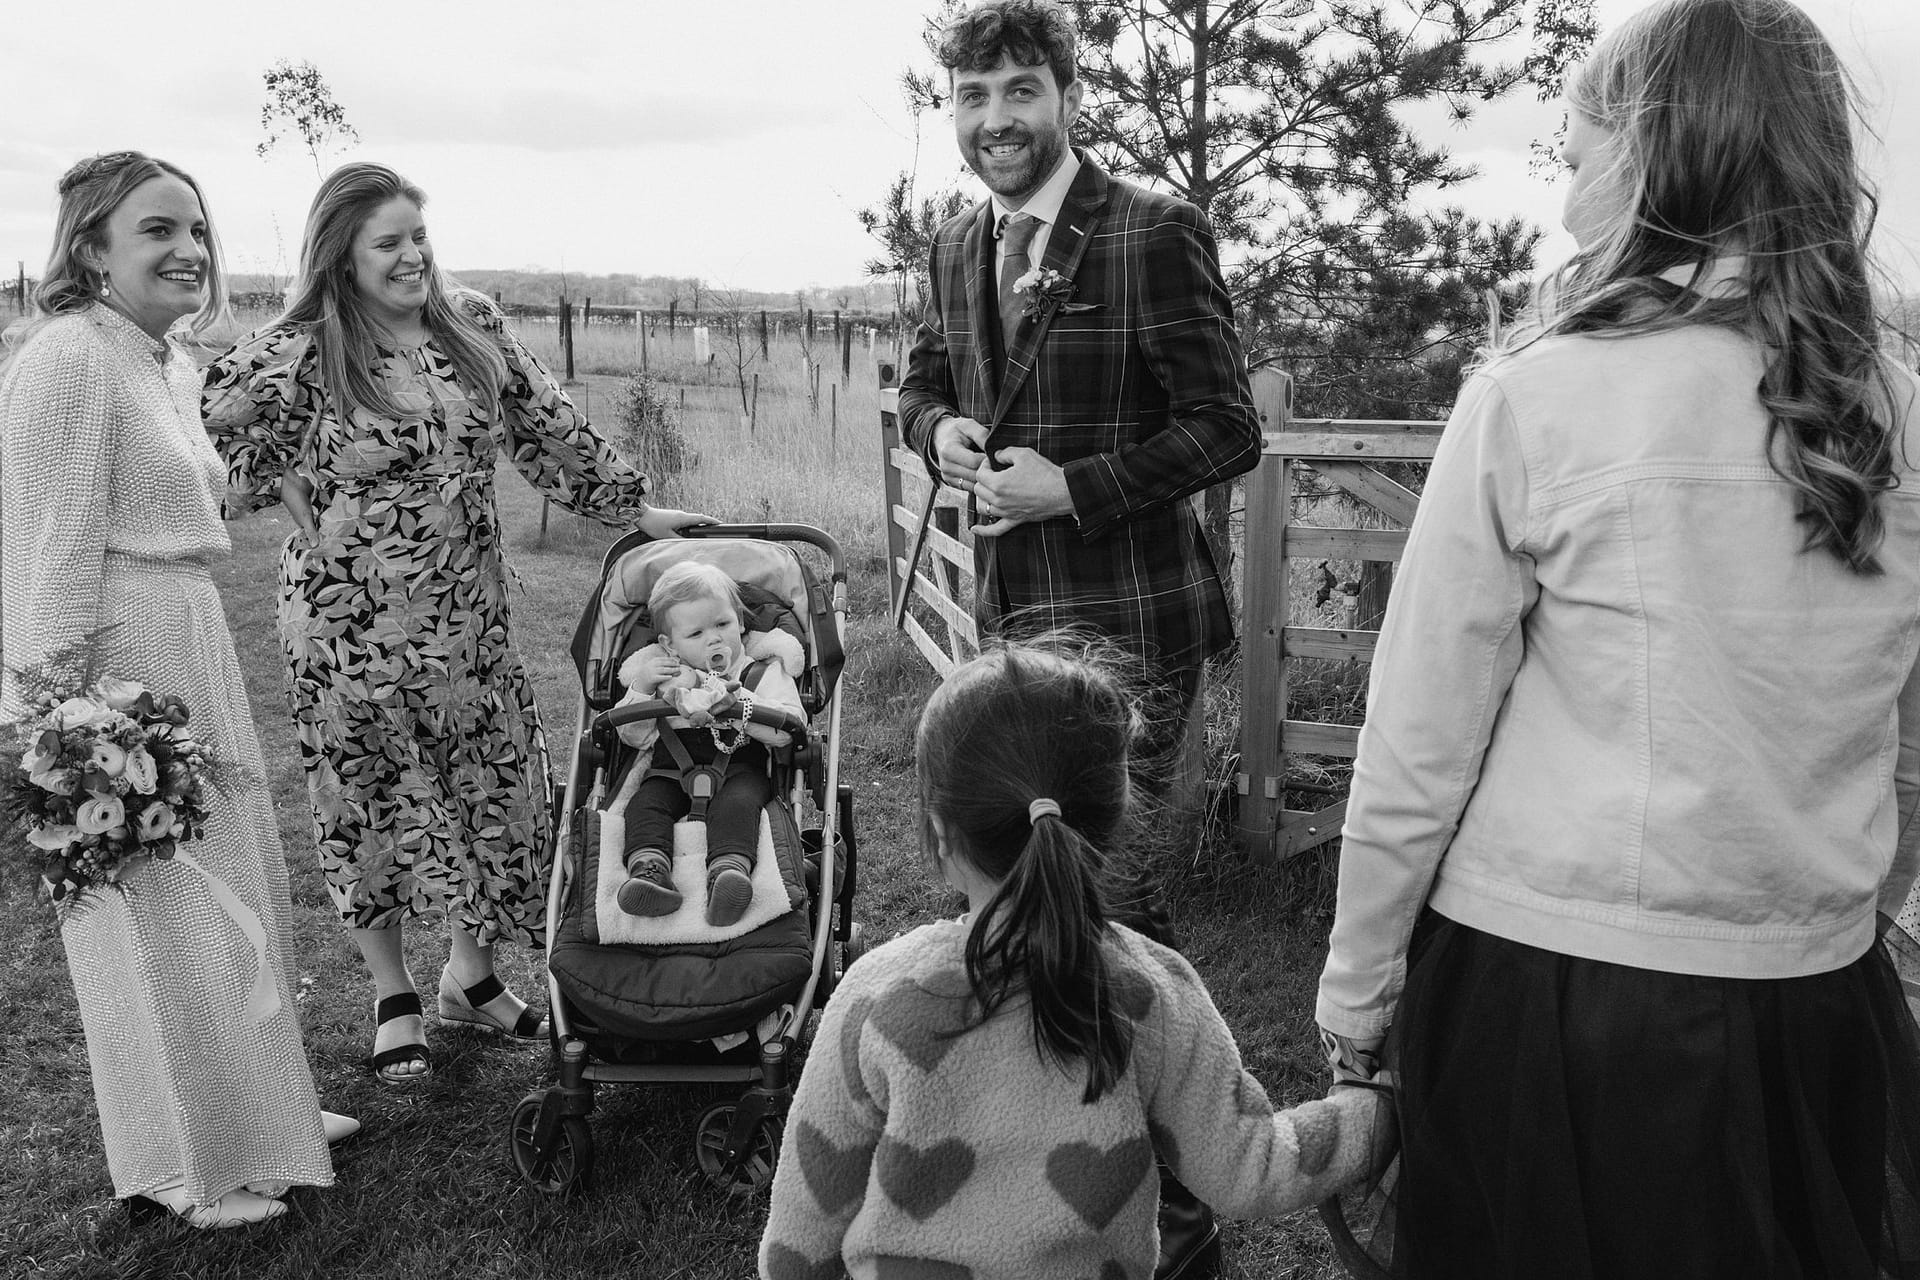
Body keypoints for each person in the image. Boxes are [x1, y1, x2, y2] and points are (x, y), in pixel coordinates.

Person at [1314, 1, 1920, 1274]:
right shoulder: (1898, 416)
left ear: (1657, 156)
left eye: (1580, 149)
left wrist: (1357, 991)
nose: (1565, 190)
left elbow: (1418, 740)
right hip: (1816, 992)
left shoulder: (1539, 397)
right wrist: (1851, 891)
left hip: (1560, 996)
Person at [201, 162, 712, 1087]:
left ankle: (470, 976)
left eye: (418, 236)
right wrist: (268, 470)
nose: (412, 256)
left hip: (467, 612)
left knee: (490, 783)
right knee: (370, 796)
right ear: (340, 254)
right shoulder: (307, 346)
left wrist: (635, 510)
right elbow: (225, 432)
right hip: (345, 620)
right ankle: (393, 993)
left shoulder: (470, 322)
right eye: (387, 242)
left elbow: (546, 428)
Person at [759, 642, 1391, 1280]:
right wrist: (1376, 1115)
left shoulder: (876, 996)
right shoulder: (1152, 992)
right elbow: (1251, 1168)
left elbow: (800, 1235)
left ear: (941, 836)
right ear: (1111, 822)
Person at [0, 151, 356, 1229]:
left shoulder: (160, 358)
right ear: (91, 248)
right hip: (115, 661)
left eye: (196, 229)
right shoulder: (68, 357)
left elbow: (165, 497)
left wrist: (255, 491)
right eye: (157, 230)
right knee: (157, 910)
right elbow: (51, 547)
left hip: (188, 640)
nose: (188, 251)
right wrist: (56, 725)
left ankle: (266, 1109)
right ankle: (188, 1161)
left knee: (232, 881)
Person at [897, 0, 1261, 825]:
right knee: (1017, 862)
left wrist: (1067, 490)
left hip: (1127, 622)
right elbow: (922, 387)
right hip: (1002, 618)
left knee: (1112, 882)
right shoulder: (955, 244)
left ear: (1068, 98)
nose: (995, 119)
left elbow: (1228, 428)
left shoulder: (1154, 230)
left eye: (1021, 91)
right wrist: (937, 434)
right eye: (973, 95)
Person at [612, 560, 803, 927]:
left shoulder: (760, 670)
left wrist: (739, 704)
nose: (714, 638)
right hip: (669, 771)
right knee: (645, 806)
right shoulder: (662, 676)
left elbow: (787, 728)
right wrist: (641, 689)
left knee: (738, 806)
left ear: (741, 622)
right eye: (696, 633)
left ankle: (728, 873)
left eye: (722, 624)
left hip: (739, 770)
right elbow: (633, 737)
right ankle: (649, 870)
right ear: (669, 645)